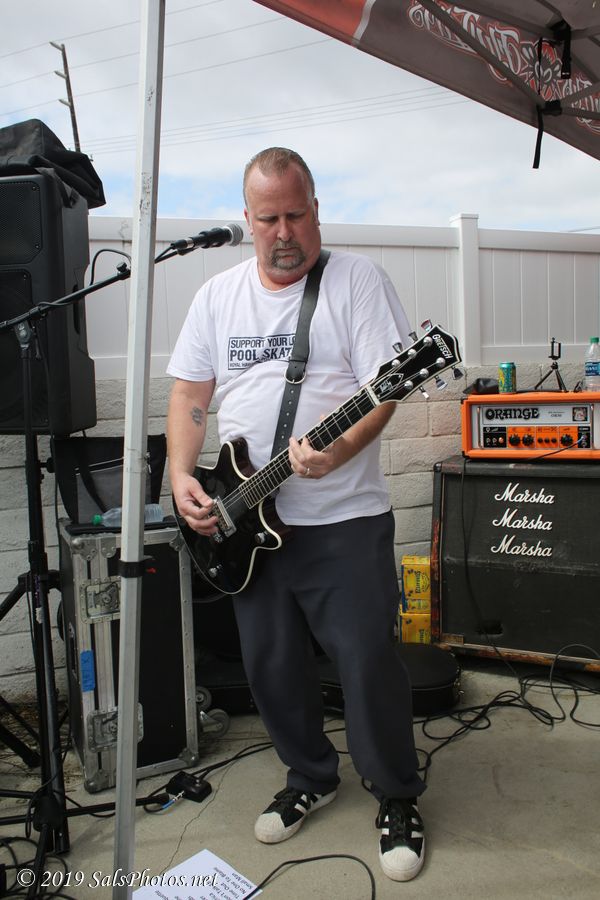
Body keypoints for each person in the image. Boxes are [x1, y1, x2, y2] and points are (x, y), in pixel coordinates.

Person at [166, 147, 426, 882]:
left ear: (316, 209)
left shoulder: (357, 281)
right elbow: (190, 394)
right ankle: (310, 775)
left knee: (367, 662)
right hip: (244, 520)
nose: (285, 232)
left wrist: (339, 450)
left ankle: (396, 793)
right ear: (247, 220)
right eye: (269, 218)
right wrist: (182, 475)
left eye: (296, 214)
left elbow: (384, 391)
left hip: (343, 519)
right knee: (271, 666)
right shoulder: (217, 297)